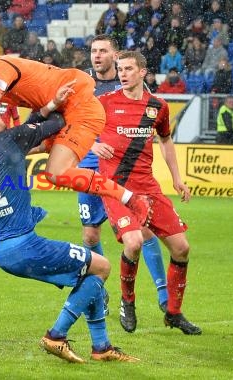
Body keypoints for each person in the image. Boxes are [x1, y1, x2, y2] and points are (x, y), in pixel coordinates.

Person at [0, 92, 139, 364]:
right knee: (101, 267)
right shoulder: (9, 140)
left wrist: (47, 108)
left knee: (87, 276)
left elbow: (30, 128)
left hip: (3, 248)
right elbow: (54, 123)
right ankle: (56, 334)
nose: (0, 112)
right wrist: (58, 103)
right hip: (24, 246)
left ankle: (102, 347)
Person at [0, 33, 152, 228]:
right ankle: (19, 223)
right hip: (55, 113)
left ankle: (132, 199)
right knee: (2, 156)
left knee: (55, 173)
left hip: (78, 104)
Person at [97, 51, 202, 335]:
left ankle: (173, 313)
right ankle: (127, 302)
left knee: (181, 248)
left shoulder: (158, 107)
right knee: (133, 243)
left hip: (148, 188)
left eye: (129, 69)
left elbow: (166, 141)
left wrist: (177, 179)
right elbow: (76, 129)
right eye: (120, 69)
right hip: (115, 188)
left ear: (143, 72)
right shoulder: (104, 103)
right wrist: (92, 147)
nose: (123, 73)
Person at [78, 35, 168, 312]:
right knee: (91, 235)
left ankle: (164, 295)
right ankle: (99, 290)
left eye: (103, 51)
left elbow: (149, 120)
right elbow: (74, 122)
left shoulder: (128, 85)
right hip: (89, 168)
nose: (97, 56)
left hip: (122, 169)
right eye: (93, 51)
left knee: (142, 230)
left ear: (115, 55)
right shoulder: (84, 85)